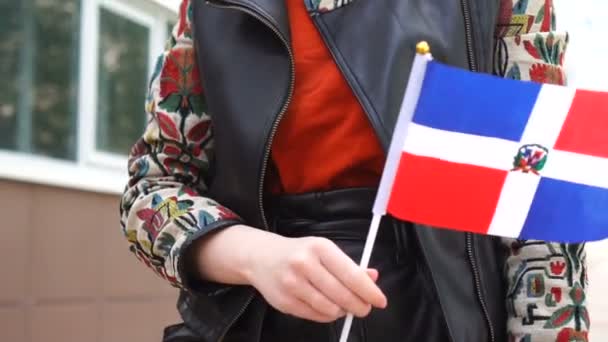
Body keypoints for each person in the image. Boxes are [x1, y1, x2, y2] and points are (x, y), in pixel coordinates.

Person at [120, 0, 589, 341]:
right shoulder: (208, 7)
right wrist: (251, 254)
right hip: (258, 317)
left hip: (445, 313)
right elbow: (154, 186)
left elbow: (542, 195)